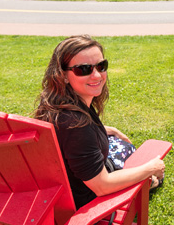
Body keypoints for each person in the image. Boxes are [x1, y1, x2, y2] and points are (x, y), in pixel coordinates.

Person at [35, 35, 165, 209]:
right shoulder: (76, 125)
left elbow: (70, 140)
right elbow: (102, 186)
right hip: (89, 202)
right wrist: (150, 168)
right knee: (153, 169)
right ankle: (150, 181)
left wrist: (104, 130)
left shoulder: (58, 105)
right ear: (63, 75)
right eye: (84, 69)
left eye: (101, 66)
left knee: (125, 147)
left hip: (66, 187)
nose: (97, 75)